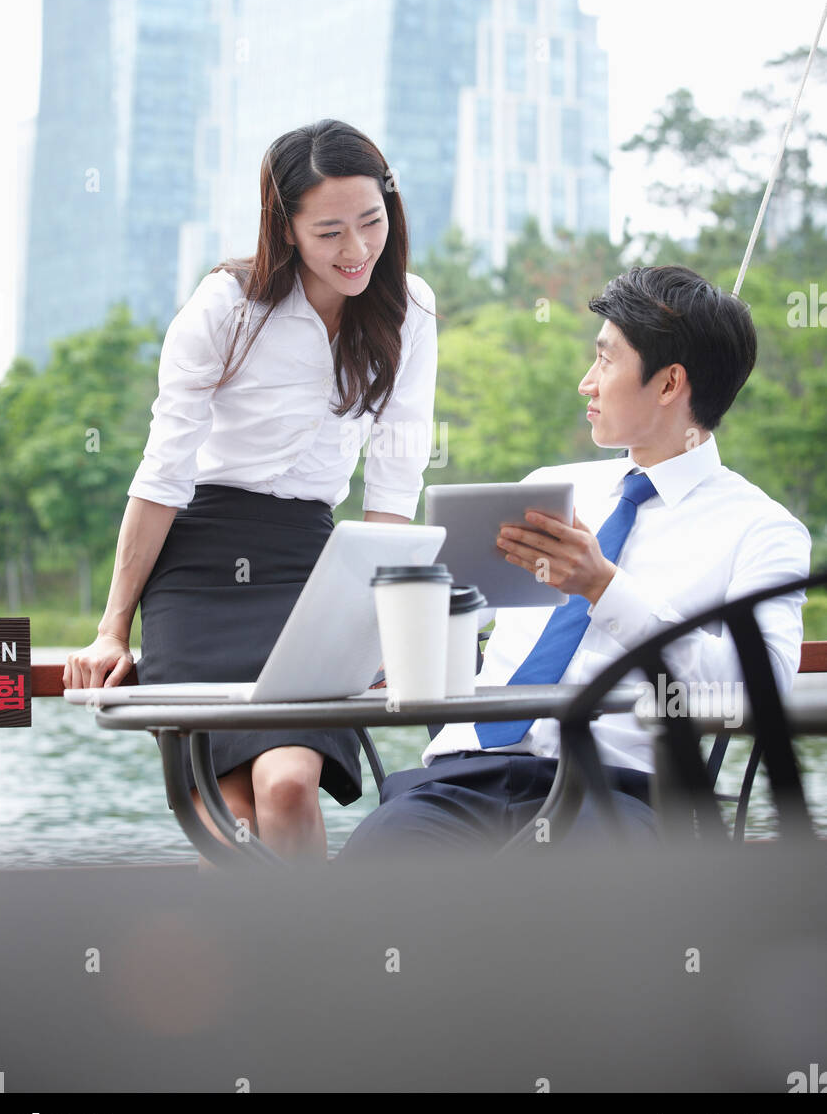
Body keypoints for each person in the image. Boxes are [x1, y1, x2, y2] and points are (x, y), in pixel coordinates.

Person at [338, 264, 811, 859]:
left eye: (606, 360)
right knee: (374, 869)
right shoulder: (549, 489)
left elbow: (756, 688)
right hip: (464, 777)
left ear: (668, 385)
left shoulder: (762, 531)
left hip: (619, 792)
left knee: (553, 897)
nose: (586, 383)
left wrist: (605, 588)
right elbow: (453, 625)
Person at [63, 119, 437, 861]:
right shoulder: (226, 306)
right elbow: (163, 473)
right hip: (198, 563)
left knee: (289, 784)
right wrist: (113, 626)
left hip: (311, 565)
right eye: (329, 231)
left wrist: (389, 613)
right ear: (286, 228)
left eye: (371, 221)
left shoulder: (409, 309)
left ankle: (301, 961)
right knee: (227, 809)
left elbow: (396, 471)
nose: (358, 249)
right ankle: (290, 961)